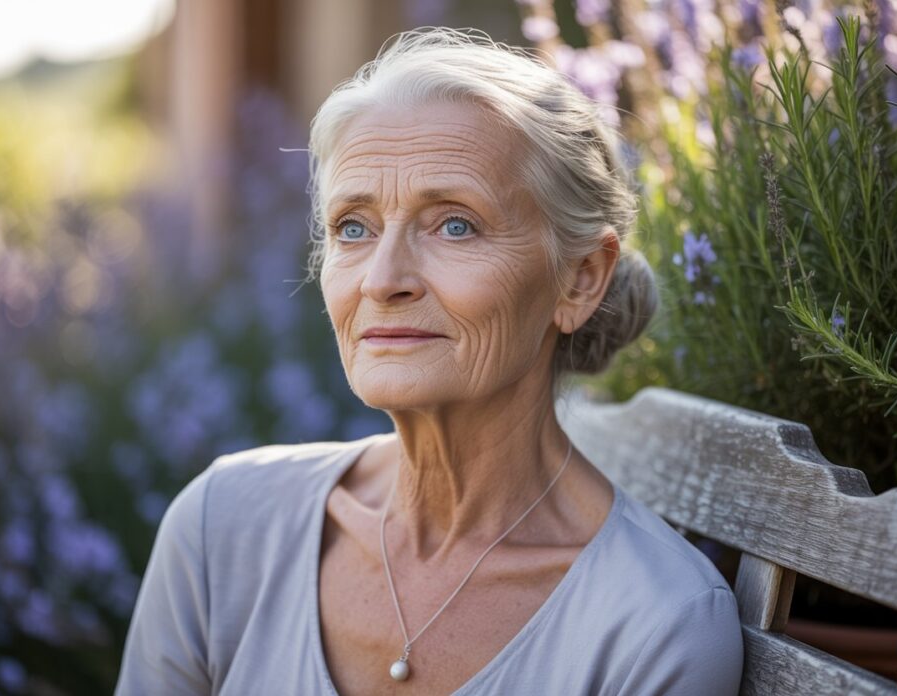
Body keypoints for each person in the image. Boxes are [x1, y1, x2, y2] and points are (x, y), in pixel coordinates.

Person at [115, 27, 744, 696]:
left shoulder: (655, 626)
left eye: (454, 224)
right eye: (352, 227)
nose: (383, 280)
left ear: (580, 279)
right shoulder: (221, 529)